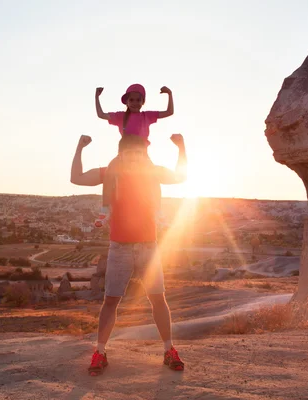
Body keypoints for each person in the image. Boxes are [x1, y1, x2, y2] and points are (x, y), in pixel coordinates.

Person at [70, 133, 187, 376]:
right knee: (111, 301)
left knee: (158, 298)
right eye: (129, 153)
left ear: (143, 154)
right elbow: (76, 178)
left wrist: (181, 147)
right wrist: (80, 148)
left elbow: (181, 176)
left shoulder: (152, 172)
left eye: (138, 153)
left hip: (148, 246)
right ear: (120, 153)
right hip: (120, 246)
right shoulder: (110, 172)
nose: (134, 157)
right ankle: (100, 352)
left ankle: (169, 350)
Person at [94, 84, 174, 226]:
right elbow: (101, 114)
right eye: (132, 100)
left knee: (153, 178)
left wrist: (169, 94)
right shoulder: (120, 117)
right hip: (123, 154)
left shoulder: (147, 116)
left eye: (138, 100)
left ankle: (157, 211)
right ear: (127, 102)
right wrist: (97, 97)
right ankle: (105, 209)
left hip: (142, 154)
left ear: (143, 102)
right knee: (109, 175)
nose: (135, 103)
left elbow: (169, 112)